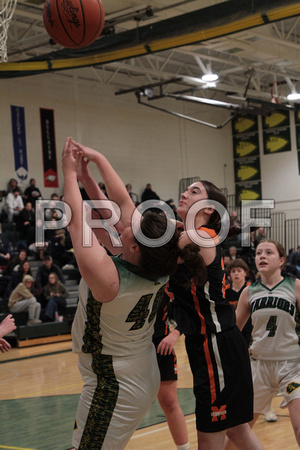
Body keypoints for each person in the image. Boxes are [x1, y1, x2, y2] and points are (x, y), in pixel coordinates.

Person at [62, 137, 203, 450]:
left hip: (114, 381)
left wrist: (69, 173)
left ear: (134, 245)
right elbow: (123, 204)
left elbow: (75, 219)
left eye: (132, 226)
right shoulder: (155, 262)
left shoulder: (109, 279)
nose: (127, 220)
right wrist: (93, 165)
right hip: (136, 369)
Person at [157, 180, 264, 450]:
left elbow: (152, 254)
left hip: (214, 343)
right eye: (186, 189)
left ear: (209, 210)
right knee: (238, 433)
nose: (184, 193)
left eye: (194, 191)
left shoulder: (199, 236)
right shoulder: (191, 235)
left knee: (210, 440)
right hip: (214, 344)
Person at [235, 239, 300, 447]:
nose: (262, 256)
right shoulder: (248, 292)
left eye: (268, 253)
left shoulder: (295, 286)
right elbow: (234, 331)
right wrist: (238, 352)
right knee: (239, 430)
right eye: (259, 253)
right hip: (258, 365)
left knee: (299, 426)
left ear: (282, 260)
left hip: (291, 366)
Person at [153, 294, 190, 450]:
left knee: (169, 401)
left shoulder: (166, 281)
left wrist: (175, 333)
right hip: (130, 348)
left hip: (160, 344)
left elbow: (190, 311)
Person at [225, 258, 252, 346]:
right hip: (231, 330)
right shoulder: (225, 291)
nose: (236, 273)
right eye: (233, 271)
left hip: (250, 331)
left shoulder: (252, 289)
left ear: (245, 273)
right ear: (229, 274)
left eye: (239, 271)